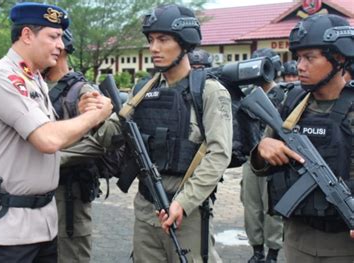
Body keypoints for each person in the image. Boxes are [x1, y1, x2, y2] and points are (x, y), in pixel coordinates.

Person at [83, 4, 232, 262]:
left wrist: (183, 202)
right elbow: (110, 134)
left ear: (185, 42)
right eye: (151, 40)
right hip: (145, 209)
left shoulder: (209, 92)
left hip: (188, 213)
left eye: (163, 40)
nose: (154, 48)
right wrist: (93, 116)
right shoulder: (142, 91)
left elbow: (219, 155)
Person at [0, 2, 112, 262]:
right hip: (5, 228)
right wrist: (94, 116)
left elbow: (50, 131)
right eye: (53, 37)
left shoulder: (33, 80)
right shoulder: (2, 77)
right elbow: (47, 139)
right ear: (27, 35)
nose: (60, 45)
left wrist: (80, 111)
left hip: (39, 224)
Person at [251, 14, 354, 262]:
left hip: (344, 244)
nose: (299, 66)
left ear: (338, 58)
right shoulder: (292, 102)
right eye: (298, 57)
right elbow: (260, 166)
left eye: (310, 57)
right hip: (297, 238)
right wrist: (262, 148)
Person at [44, 29, 101, 263]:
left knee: (71, 256)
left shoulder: (83, 91)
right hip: (36, 192)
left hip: (69, 192)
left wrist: (56, 157)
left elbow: (100, 142)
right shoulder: (32, 87)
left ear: (62, 48)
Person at [240, 48, 284, 263]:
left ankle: (273, 253)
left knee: (273, 210)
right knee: (251, 207)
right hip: (251, 161)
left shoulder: (284, 96)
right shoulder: (247, 95)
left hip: (275, 164)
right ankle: (257, 251)